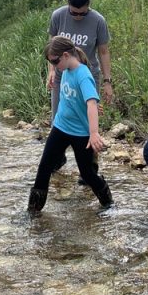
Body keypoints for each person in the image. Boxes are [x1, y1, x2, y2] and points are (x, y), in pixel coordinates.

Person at [28, 37, 113, 214]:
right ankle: (33, 212)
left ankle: (108, 203)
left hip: (81, 134)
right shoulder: (65, 69)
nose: (53, 65)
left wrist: (94, 133)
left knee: (87, 174)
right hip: (60, 127)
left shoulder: (83, 75)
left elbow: (91, 103)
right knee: (44, 167)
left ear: (66, 55)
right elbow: (77, 100)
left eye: (54, 61)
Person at [48, 0, 112, 175]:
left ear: (88, 6)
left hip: (87, 77)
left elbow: (103, 52)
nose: (76, 16)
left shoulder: (98, 20)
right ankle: (57, 159)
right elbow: (52, 48)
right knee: (58, 116)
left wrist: (108, 82)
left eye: (81, 13)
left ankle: (90, 166)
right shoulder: (58, 16)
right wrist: (51, 70)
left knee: (88, 123)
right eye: (73, 12)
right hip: (61, 77)